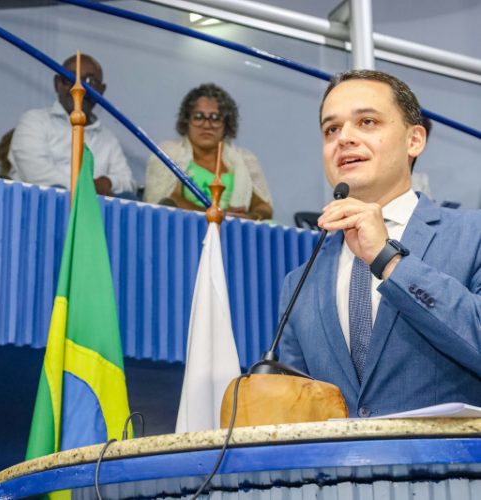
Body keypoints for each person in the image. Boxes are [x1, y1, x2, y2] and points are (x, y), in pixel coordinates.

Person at [279, 70, 481, 418]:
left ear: (414, 140)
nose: (344, 138)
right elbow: (297, 413)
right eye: (331, 129)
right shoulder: (300, 283)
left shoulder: (472, 235)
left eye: (367, 122)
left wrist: (389, 259)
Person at [8, 54, 136, 196]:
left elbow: (128, 182)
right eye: (71, 79)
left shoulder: (108, 139)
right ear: (58, 84)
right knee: (55, 192)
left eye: (90, 81)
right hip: (42, 205)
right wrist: (87, 188)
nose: (79, 88)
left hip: (94, 207)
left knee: (128, 197)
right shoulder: (34, 121)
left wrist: (108, 182)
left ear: (101, 90)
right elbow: (35, 173)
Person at [144, 83, 273, 220]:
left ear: (226, 124)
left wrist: (251, 217)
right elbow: (169, 200)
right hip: (185, 224)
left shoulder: (245, 160)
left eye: (215, 118)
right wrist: (216, 217)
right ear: (187, 121)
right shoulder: (169, 154)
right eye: (198, 117)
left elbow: (264, 207)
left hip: (234, 229)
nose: (206, 125)